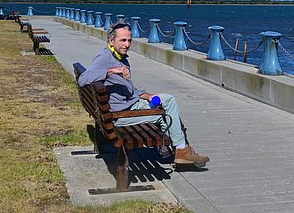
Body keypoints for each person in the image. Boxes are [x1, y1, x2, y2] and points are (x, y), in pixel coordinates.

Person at [78, 22, 210, 167]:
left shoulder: (119, 57)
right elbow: (83, 79)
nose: (127, 44)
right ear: (111, 40)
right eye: (123, 40)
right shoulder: (105, 58)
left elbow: (128, 89)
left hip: (126, 105)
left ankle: (178, 150)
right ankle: (178, 151)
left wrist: (146, 95)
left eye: (129, 40)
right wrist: (111, 70)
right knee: (165, 114)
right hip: (119, 115)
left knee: (168, 100)